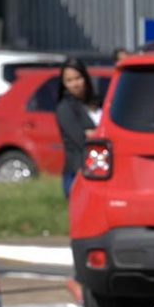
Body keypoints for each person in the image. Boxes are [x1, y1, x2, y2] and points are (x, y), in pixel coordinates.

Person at [55, 57, 100, 200]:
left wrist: (94, 133)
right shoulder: (65, 108)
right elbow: (81, 139)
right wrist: (95, 134)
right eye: (69, 80)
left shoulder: (98, 102)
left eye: (78, 78)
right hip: (77, 173)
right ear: (64, 83)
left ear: (85, 77)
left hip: (99, 170)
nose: (75, 84)